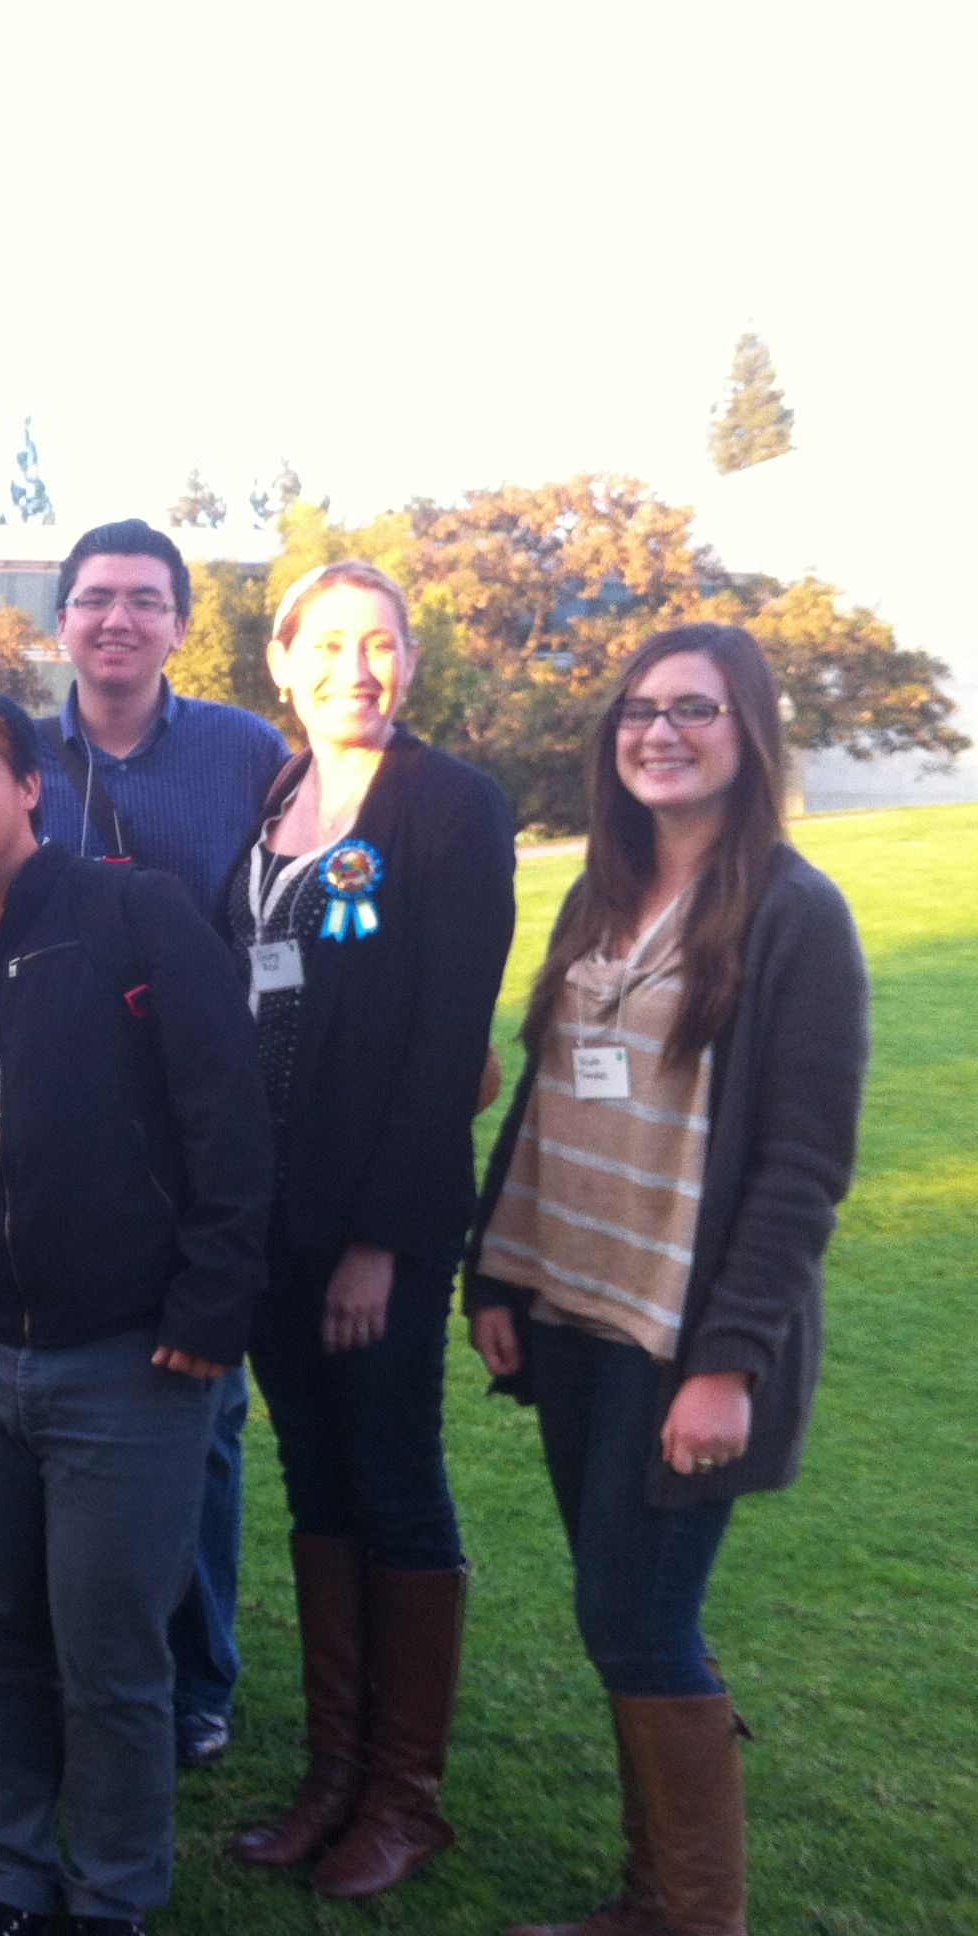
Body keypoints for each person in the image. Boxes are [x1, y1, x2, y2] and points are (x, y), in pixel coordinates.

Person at [0, 681, 271, 1936]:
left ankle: (113, 1890)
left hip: (129, 1362)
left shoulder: (136, 917)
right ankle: (10, 1870)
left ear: (30, 784)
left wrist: (210, 1304)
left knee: (114, 1657)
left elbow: (228, 1120)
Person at [467, 625, 868, 1936]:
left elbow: (805, 1168)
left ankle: (691, 1914)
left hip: (678, 1334)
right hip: (575, 1306)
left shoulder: (797, 914)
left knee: (635, 1619)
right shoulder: (604, 888)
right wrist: (495, 1275)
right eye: (639, 711)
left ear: (750, 733)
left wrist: (726, 1363)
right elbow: (545, 1094)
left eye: (694, 710)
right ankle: (658, 1894)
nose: (660, 732)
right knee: (618, 1613)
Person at [220, 562, 516, 1899]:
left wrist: (383, 1244)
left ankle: (405, 1796)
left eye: (379, 642)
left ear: (410, 658)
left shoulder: (451, 808)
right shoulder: (275, 797)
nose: (355, 665)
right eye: (327, 643)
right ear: (282, 663)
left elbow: (445, 1043)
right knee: (320, 1483)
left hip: (371, 1226)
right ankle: (332, 1776)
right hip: (271, 1218)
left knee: (393, 1473)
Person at [37, 517, 287, 1767]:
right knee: (64, 1413)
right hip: (53, 1140)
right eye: (94, 598)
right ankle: (56, 1667)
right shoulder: (21, 759)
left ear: (181, 622)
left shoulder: (247, 753)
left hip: (197, 1127)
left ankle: (195, 1675)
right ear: (62, 621)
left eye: (143, 598)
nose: (117, 618)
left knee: (202, 1419)